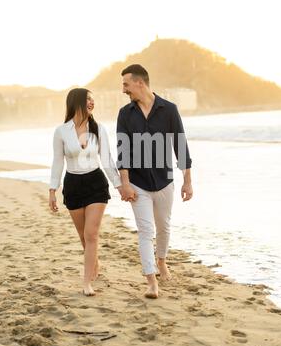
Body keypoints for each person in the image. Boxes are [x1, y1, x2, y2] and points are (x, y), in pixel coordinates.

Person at [116, 64, 193, 299]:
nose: (124, 90)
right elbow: (123, 150)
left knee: (164, 227)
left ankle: (161, 262)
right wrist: (125, 184)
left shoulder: (169, 110)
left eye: (126, 84)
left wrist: (187, 181)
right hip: (138, 183)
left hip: (165, 181)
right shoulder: (125, 114)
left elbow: (181, 145)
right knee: (145, 230)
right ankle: (151, 281)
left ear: (140, 83)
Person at [49, 88, 122, 296]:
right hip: (73, 185)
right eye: (88, 99)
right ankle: (94, 263)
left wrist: (120, 186)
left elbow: (107, 160)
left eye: (93, 99)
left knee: (91, 234)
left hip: (95, 183)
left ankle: (86, 282)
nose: (92, 103)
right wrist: (52, 190)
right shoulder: (61, 131)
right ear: (77, 102)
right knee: (83, 236)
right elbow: (57, 162)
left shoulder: (99, 129)